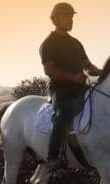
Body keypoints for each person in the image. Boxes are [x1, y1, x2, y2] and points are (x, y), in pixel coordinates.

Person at [40, 2, 102, 170]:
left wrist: (104, 72)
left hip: (80, 87)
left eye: (72, 17)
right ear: (55, 18)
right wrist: (73, 77)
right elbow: (49, 69)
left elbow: (88, 66)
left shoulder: (75, 43)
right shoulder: (49, 43)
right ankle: (52, 157)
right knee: (64, 113)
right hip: (60, 90)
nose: (70, 20)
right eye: (66, 16)